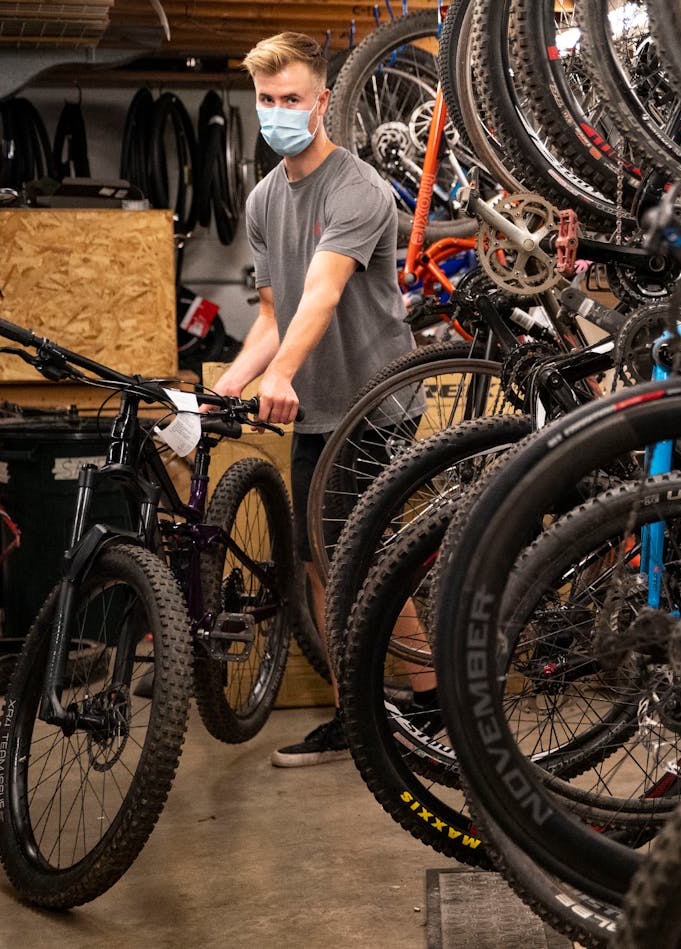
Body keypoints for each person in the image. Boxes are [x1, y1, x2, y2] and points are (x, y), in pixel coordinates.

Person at [212, 31, 416, 766]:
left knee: (359, 559)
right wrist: (234, 380)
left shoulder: (356, 189)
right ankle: (362, 715)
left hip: (374, 401)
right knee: (321, 564)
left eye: (291, 100)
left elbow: (324, 293)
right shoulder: (265, 199)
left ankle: (415, 705)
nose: (277, 114)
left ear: (322, 101)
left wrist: (280, 375)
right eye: (266, 101)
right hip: (315, 405)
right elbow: (272, 314)